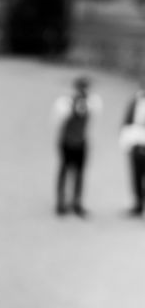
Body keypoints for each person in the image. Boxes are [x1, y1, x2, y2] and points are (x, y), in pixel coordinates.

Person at [51, 76, 102, 217]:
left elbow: (94, 113)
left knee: (80, 173)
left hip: (81, 141)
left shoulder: (91, 103)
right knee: (64, 170)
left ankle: (77, 202)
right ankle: (61, 202)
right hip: (67, 141)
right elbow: (58, 120)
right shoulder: (65, 103)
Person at [119, 77, 145, 216]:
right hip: (136, 142)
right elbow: (127, 122)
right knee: (136, 175)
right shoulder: (135, 101)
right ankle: (138, 205)